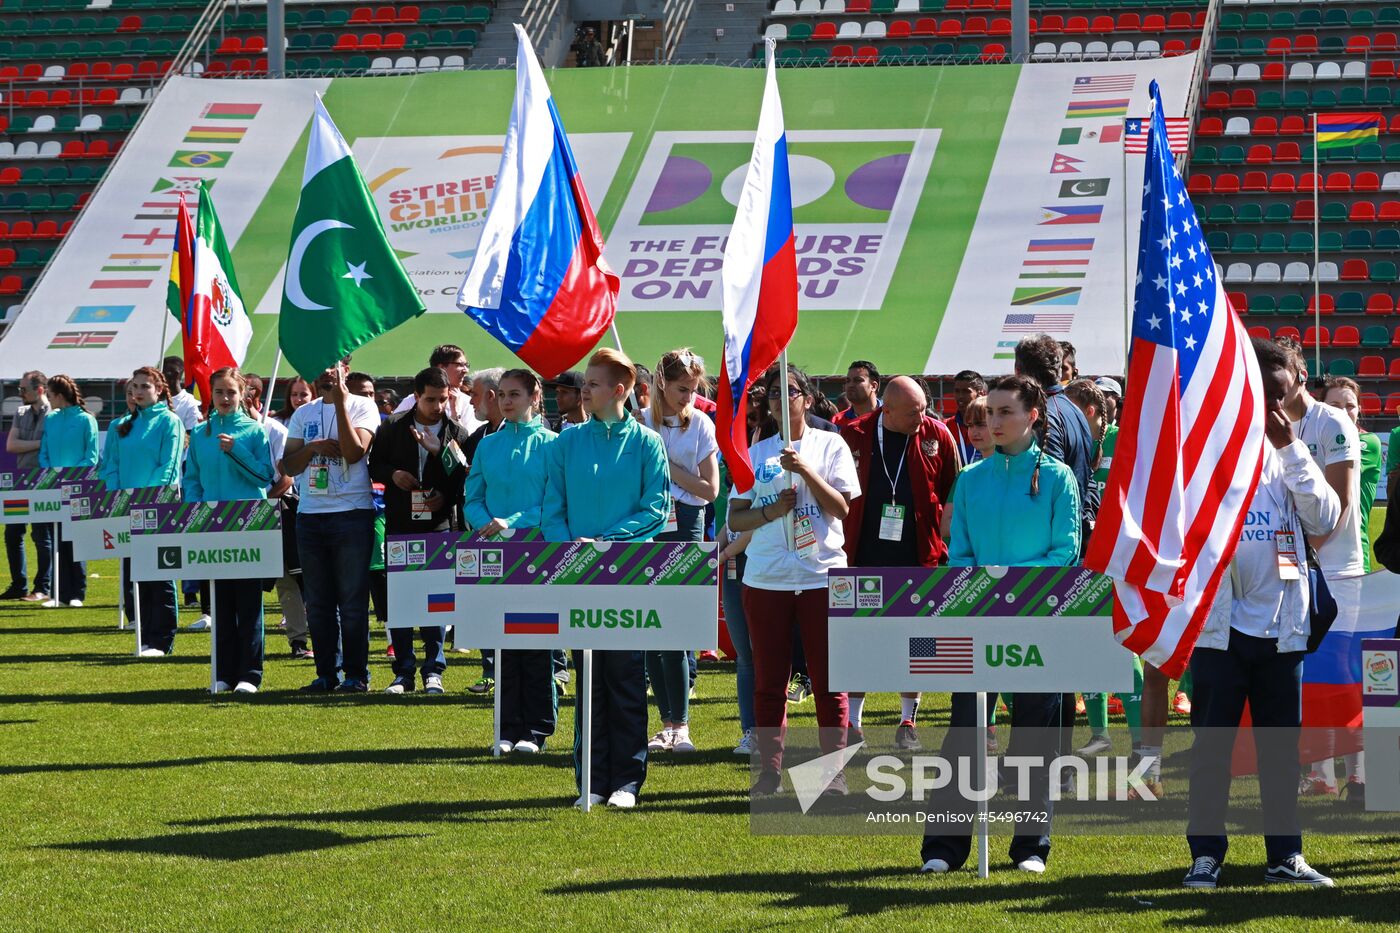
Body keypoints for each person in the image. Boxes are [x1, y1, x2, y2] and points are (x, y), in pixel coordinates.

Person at [1181, 337, 1339, 890]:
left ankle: (1284, 855)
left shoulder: (1291, 456)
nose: (1270, 410)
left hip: (1282, 626)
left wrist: (1292, 450)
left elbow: (1325, 516)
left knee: (1279, 753)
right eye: (1261, 398)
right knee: (1211, 751)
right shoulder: (1207, 451)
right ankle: (1206, 853)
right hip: (1219, 628)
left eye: (1279, 398)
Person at [921, 375, 1080, 876]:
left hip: (1039, 623)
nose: (994, 421)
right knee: (964, 732)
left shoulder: (1058, 479)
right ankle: (943, 850)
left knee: (1035, 736)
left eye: (1005, 412)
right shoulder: (970, 480)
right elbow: (960, 553)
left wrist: (1017, 590)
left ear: (1033, 415)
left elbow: (1065, 550)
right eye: (990, 412)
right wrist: (983, 591)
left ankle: (1031, 846)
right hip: (979, 621)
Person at [542, 348, 669, 808]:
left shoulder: (647, 443)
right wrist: (569, 546)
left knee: (625, 676)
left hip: (627, 573)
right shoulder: (566, 442)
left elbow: (655, 510)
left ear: (620, 390)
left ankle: (627, 782)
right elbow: (551, 506)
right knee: (588, 672)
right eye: (585, 384)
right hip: (576, 571)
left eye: (593, 384)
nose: (585, 390)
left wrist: (608, 542)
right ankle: (591, 781)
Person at [729, 363, 860, 797]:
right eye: (770, 394)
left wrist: (805, 470)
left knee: (829, 680)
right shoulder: (755, 450)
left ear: (806, 396)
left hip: (822, 576)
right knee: (769, 680)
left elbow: (841, 508)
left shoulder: (831, 445)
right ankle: (769, 771)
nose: (778, 400)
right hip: (767, 579)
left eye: (787, 391)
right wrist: (771, 512)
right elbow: (735, 517)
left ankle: (832, 773)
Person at [841, 376, 958, 752]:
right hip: (862, 557)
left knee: (917, 645)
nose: (920, 418)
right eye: (913, 412)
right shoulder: (853, 434)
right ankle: (853, 722)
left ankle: (908, 719)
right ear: (885, 410)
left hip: (919, 558)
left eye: (924, 409)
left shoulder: (937, 435)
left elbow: (952, 489)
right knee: (859, 642)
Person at [465, 369, 560, 751]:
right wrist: (484, 524)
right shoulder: (488, 445)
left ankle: (536, 730)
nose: (506, 401)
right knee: (502, 641)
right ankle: (507, 728)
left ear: (536, 396)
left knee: (537, 643)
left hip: (538, 550)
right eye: (501, 394)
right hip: (495, 552)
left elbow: (554, 502)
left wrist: (514, 521)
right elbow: (472, 495)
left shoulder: (554, 445)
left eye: (515, 394)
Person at [369, 367, 472, 695]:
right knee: (401, 601)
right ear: (416, 396)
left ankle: (434, 670)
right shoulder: (393, 427)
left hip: (439, 525)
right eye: (431, 399)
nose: (437, 406)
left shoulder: (456, 432)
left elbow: (463, 478)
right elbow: (374, 464)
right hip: (400, 523)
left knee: (436, 601)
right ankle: (403, 672)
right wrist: (394, 473)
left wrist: (445, 493)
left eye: (443, 399)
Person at [280, 360, 380, 692]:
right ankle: (326, 673)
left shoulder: (363, 405)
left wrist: (340, 402)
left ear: (346, 367)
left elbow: (354, 452)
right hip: (310, 516)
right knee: (319, 602)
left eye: (332, 365)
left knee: (352, 601)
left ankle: (355, 675)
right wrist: (311, 449)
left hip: (351, 513)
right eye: (319, 365)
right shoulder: (303, 413)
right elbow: (288, 465)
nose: (325, 372)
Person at [638, 349, 719, 754]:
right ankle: (664, 722)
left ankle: (682, 725)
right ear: (661, 384)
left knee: (679, 628)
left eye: (693, 389)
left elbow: (710, 489)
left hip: (687, 523)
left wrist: (671, 470)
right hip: (647, 524)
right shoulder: (642, 423)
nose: (688, 396)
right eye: (681, 388)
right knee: (653, 631)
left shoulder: (701, 424)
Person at [182, 368, 274, 693]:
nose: (224, 398)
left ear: (243, 394)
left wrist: (236, 450)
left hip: (249, 525)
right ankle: (223, 673)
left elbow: (265, 477)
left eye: (231, 392)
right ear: (211, 394)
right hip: (212, 526)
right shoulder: (200, 434)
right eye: (219, 392)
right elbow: (191, 478)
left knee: (249, 604)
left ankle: (250, 675)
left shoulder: (254, 432)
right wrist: (197, 510)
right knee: (220, 604)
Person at [101, 367, 184, 657]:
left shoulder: (170, 422)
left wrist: (148, 500)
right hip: (126, 509)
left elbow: (169, 467)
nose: (138, 391)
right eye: (134, 386)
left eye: (145, 386)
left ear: (159, 389)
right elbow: (109, 465)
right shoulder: (120, 425)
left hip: (159, 507)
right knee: (138, 575)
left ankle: (162, 640)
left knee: (160, 574)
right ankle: (145, 636)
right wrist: (118, 497)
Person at [36, 374, 97, 609]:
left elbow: (90, 456)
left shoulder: (85, 419)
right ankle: (59, 593)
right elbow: (44, 451)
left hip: (79, 488)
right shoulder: (51, 419)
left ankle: (77, 593)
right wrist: (49, 473)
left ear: (59, 396)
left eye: (50, 396)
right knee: (58, 538)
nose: (48, 400)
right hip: (54, 488)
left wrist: (69, 476)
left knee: (76, 540)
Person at [271, 377, 313, 659]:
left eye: (304, 394)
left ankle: (321, 637)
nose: (299, 399)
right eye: (295, 394)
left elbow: (287, 477)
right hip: (278, 512)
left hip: (303, 509)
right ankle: (298, 640)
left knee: (307, 580)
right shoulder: (276, 423)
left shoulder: (320, 421)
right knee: (285, 580)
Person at [4, 371, 51, 601]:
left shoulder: (53, 414)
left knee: (42, 536)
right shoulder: (20, 412)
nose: (20, 393)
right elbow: (11, 445)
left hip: (44, 481)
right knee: (12, 533)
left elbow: (49, 447)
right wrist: (40, 443)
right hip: (20, 481)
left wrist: (29, 444)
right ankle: (18, 585)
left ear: (39, 390)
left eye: (23, 389)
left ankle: (42, 587)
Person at [394, 344, 482, 432]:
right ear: (441, 368)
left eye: (466, 365)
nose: (466, 370)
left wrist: (455, 413)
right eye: (460, 364)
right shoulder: (412, 401)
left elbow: (469, 441)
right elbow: (393, 429)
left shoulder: (468, 403)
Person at [945, 369, 987, 467]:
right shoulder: (946, 426)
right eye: (957, 391)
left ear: (981, 394)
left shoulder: (992, 425)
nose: (960, 396)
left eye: (966, 391)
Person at [833, 360, 880, 427]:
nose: (850, 385)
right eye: (848, 381)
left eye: (858, 380)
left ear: (873, 386)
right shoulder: (837, 421)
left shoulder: (890, 416)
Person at [162, 356, 202, 431]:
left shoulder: (189, 403)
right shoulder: (154, 399)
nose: (158, 377)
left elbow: (191, 434)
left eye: (162, 373)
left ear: (175, 374)